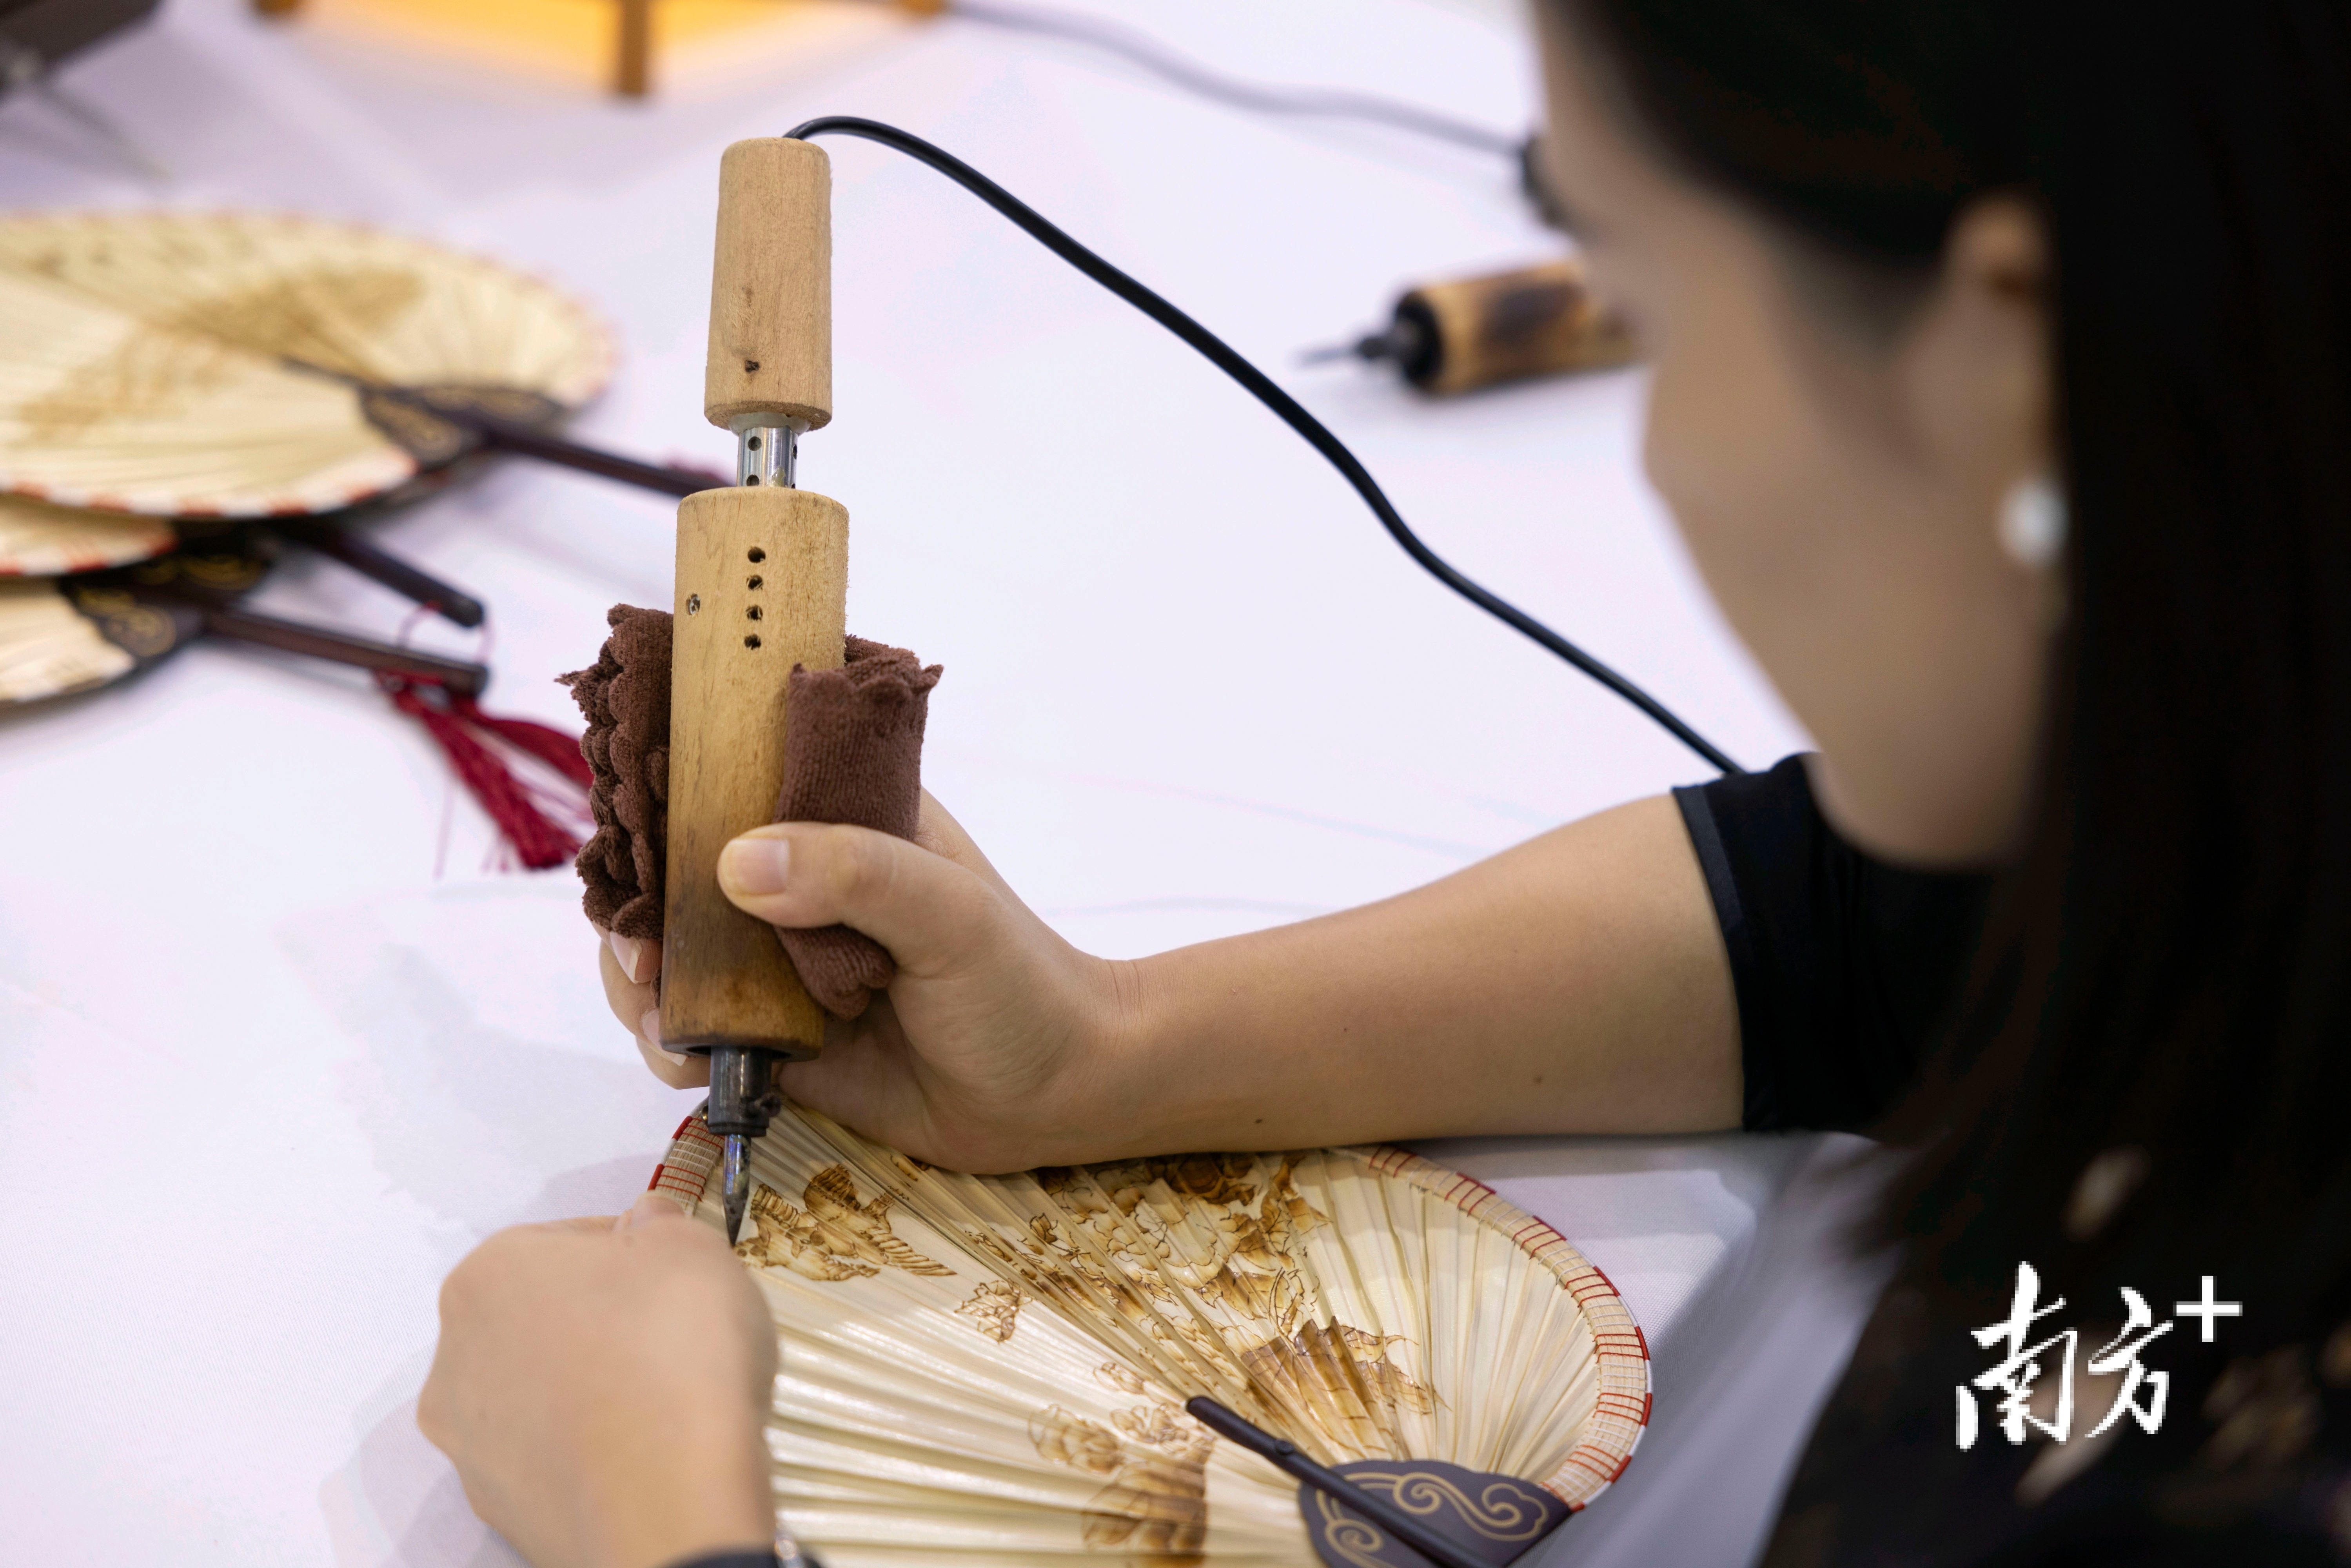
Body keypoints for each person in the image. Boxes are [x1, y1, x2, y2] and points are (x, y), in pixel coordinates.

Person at [418, 1, 2351, 1563]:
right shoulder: (2235, 791)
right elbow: (1862, 932)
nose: (1656, 448)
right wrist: (1108, 1052)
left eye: (1650, 305)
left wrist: (660, 1520)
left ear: (2008, 360)